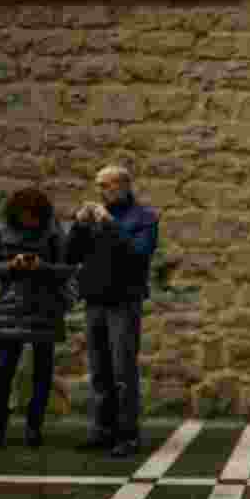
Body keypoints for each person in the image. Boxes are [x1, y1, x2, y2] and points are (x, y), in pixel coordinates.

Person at [65, 165, 159, 458]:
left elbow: (139, 254)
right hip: (95, 300)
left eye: (106, 185)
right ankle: (103, 431)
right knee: (99, 371)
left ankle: (128, 435)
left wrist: (111, 225)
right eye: (98, 185)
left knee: (122, 371)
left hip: (124, 302)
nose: (100, 191)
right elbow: (70, 255)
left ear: (123, 186)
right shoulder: (93, 219)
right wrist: (79, 226)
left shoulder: (145, 218)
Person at [0, 187, 76, 448]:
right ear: (16, 213)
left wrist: (42, 267)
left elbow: (68, 268)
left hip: (46, 307)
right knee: (3, 371)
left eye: (34, 216)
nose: (29, 221)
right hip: (10, 308)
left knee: (42, 373)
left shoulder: (54, 231)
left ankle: (34, 428)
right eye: (25, 216)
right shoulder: (1, 230)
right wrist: (11, 265)